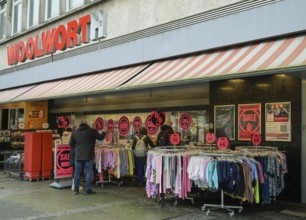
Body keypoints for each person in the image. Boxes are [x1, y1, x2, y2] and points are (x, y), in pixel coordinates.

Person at [69, 120, 106, 195]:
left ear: (80, 124)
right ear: (87, 124)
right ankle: (87, 190)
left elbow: (71, 144)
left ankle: (76, 190)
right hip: (88, 156)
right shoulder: (92, 131)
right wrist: (104, 132)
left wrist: (77, 148)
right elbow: (100, 138)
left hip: (78, 156)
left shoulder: (75, 132)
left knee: (77, 173)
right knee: (89, 172)